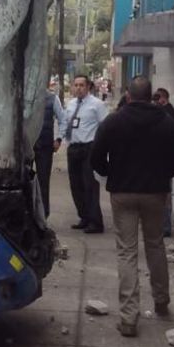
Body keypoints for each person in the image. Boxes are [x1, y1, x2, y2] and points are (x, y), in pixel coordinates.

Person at [91, 75, 174, 337]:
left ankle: (128, 318)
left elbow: (96, 157)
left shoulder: (114, 121)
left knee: (127, 252)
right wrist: (160, 174)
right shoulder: (166, 122)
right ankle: (161, 301)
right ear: (151, 96)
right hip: (155, 194)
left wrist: (112, 173)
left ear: (129, 95)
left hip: (123, 193)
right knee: (155, 244)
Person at [56, 75, 109, 233]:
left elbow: (104, 126)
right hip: (73, 147)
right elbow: (65, 122)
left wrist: (102, 148)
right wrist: (59, 138)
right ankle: (84, 217)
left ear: (88, 87)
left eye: (81, 85)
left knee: (90, 185)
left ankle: (95, 221)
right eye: (76, 85)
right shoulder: (71, 104)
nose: (78, 88)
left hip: (89, 148)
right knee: (76, 185)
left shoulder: (97, 105)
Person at [153, 87, 174, 237]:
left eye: (162, 98)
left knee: (165, 195)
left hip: (164, 161)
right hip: (150, 160)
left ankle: (165, 227)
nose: (158, 100)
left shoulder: (168, 113)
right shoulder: (150, 112)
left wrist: (167, 106)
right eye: (157, 97)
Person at [33, 81, 60, 217]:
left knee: (43, 180)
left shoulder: (52, 98)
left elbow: (63, 119)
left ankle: (44, 213)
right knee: (24, 179)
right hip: (27, 146)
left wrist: (58, 139)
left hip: (45, 145)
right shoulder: (26, 96)